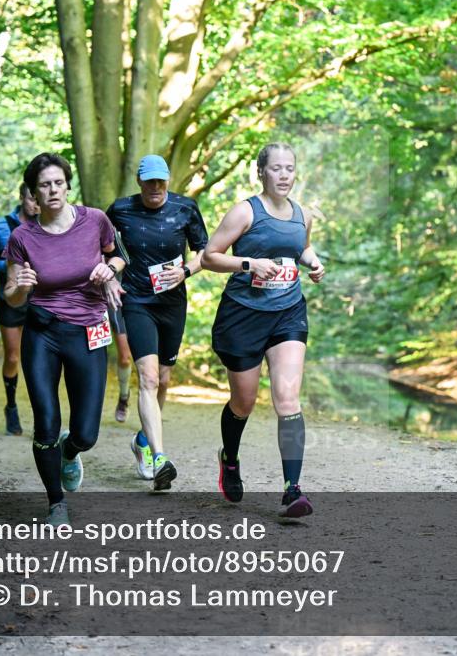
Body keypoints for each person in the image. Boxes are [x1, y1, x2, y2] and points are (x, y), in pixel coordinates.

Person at [201, 143, 325, 518]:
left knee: (287, 398)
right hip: (243, 315)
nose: (284, 175)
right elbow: (209, 256)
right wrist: (249, 264)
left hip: (287, 313)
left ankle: (292, 490)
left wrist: (313, 262)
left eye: (290, 168)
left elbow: (300, 248)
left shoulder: (302, 214)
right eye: (276, 168)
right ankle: (230, 458)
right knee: (244, 402)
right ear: (261, 172)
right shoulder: (245, 212)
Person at [4, 152, 125, 526]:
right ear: (33, 193)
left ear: (68, 186)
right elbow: (11, 295)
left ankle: (70, 452)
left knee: (86, 433)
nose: (53, 190)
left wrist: (109, 269)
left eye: (58, 182)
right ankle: (56, 502)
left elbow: (119, 256)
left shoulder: (95, 220)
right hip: (43, 333)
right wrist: (21, 288)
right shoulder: (22, 237)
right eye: (44, 185)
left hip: (88, 330)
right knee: (46, 421)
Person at [106, 155, 209, 489]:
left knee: (163, 379)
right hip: (137, 301)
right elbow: (101, 246)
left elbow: (205, 252)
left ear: (168, 180)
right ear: (139, 181)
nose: (155, 187)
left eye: (160, 181)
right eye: (149, 180)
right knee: (148, 378)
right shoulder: (120, 209)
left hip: (172, 304)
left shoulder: (185, 208)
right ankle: (159, 457)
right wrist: (110, 278)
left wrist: (186, 271)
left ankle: (142, 441)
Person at [0, 183, 40, 434]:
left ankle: (42, 415)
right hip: (11, 297)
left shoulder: (46, 225)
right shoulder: (1, 226)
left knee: (38, 360)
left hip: (40, 299)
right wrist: (5, 266)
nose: (36, 204)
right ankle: (11, 406)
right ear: (21, 198)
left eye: (39, 199)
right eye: (31, 199)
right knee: (13, 357)